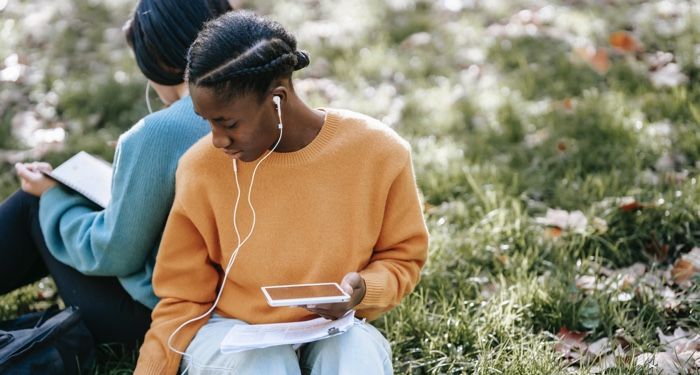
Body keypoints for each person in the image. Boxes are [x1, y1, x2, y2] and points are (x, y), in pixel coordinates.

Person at [134, 10, 429, 375]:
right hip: (234, 333)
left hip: (336, 327)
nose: (217, 140)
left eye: (227, 123)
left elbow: (403, 258)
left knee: (353, 357)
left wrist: (363, 290)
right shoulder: (200, 167)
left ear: (277, 99)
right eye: (206, 121)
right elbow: (182, 295)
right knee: (264, 363)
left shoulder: (380, 152)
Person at [0, 0, 232, 347]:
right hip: (241, 306)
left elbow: (112, 252)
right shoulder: (264, 106)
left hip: (162, 318)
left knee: (35, 206)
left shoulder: (159, 132)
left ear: (161, 59)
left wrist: (51, 198)